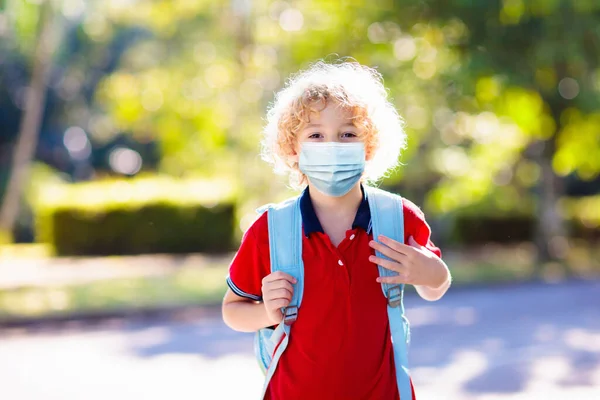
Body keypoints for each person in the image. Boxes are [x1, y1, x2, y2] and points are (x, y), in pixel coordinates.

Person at [222, 60, 451, 400]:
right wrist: (266, 312)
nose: (333, 146)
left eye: (348, 134)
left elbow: (437, 286)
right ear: (293, 149)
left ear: (369, 145)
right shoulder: (269, 230)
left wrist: (429, 272)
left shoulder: (398, 217)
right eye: (316, 135)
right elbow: (232, 311)